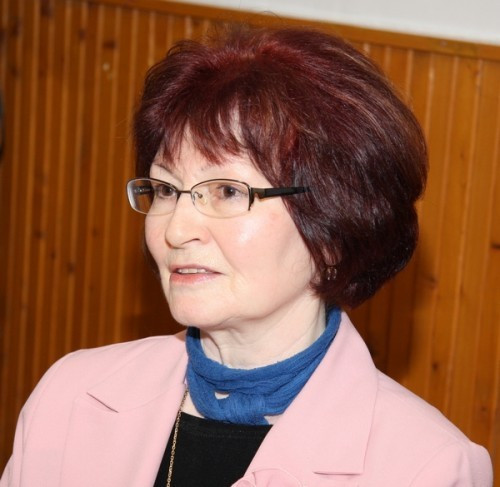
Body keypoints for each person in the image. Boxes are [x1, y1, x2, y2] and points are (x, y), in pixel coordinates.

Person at [1, 25, 493, 487]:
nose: (176, 229)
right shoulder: (69, 397)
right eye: (167, 189)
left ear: (333, 225)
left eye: (228, 192)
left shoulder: (427, 467)